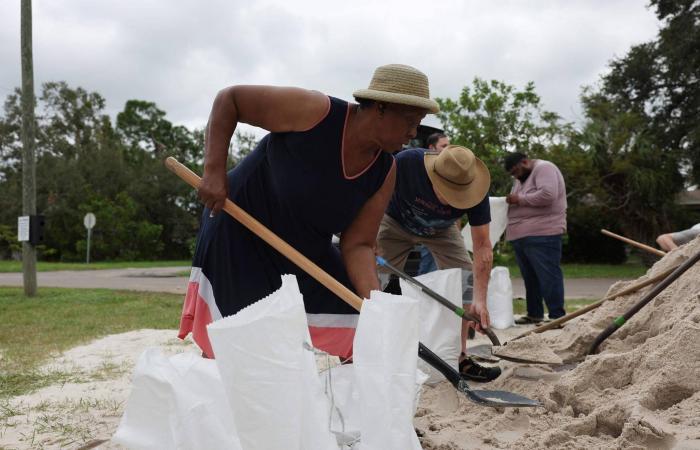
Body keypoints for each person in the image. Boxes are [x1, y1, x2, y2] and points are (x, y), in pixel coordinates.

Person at [180, 64, 438, 360]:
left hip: (303, 251)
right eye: (409, 120)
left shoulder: (385, 170)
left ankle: (347, 400)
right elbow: (230, 99)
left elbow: (359, 244)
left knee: (360, 321)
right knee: (239, 343)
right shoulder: (315, 112)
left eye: (418, 123)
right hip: (240, 233)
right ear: (380, 107)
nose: (413, 132)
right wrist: (214, 171)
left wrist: (374, 304)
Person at [376, 145, 501, 382]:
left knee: (466, 278)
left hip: (441, 230)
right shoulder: (406, 163)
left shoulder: (476, 188)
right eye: (449, 192)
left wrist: (479, 300)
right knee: (375, 283)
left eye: (460, 195)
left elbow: (483, 246)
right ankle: (378, 353)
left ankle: (459, 357)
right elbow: (370, 192)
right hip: (394, 222)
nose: (454, 200)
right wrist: (365, 235)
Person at [504, 152, 567, 324]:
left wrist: (519, 199)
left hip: (543, 234)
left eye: (516, 171)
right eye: (512, 174)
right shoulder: (521, 178)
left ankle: (557, 316)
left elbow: (548, 195)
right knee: (530, 277)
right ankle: (534, 313)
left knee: (548, 275)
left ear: (525, 162)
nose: (515, 176)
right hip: (522, 235)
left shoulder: (544, 168)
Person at [417, 132, 451, 275]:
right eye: (444, 146)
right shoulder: (419, 168)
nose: (448, 149)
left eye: (449, 145)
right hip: (424, 223)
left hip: (442, 226)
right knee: (429, 267)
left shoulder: (450, 170)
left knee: (440, 267)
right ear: (431, 147)